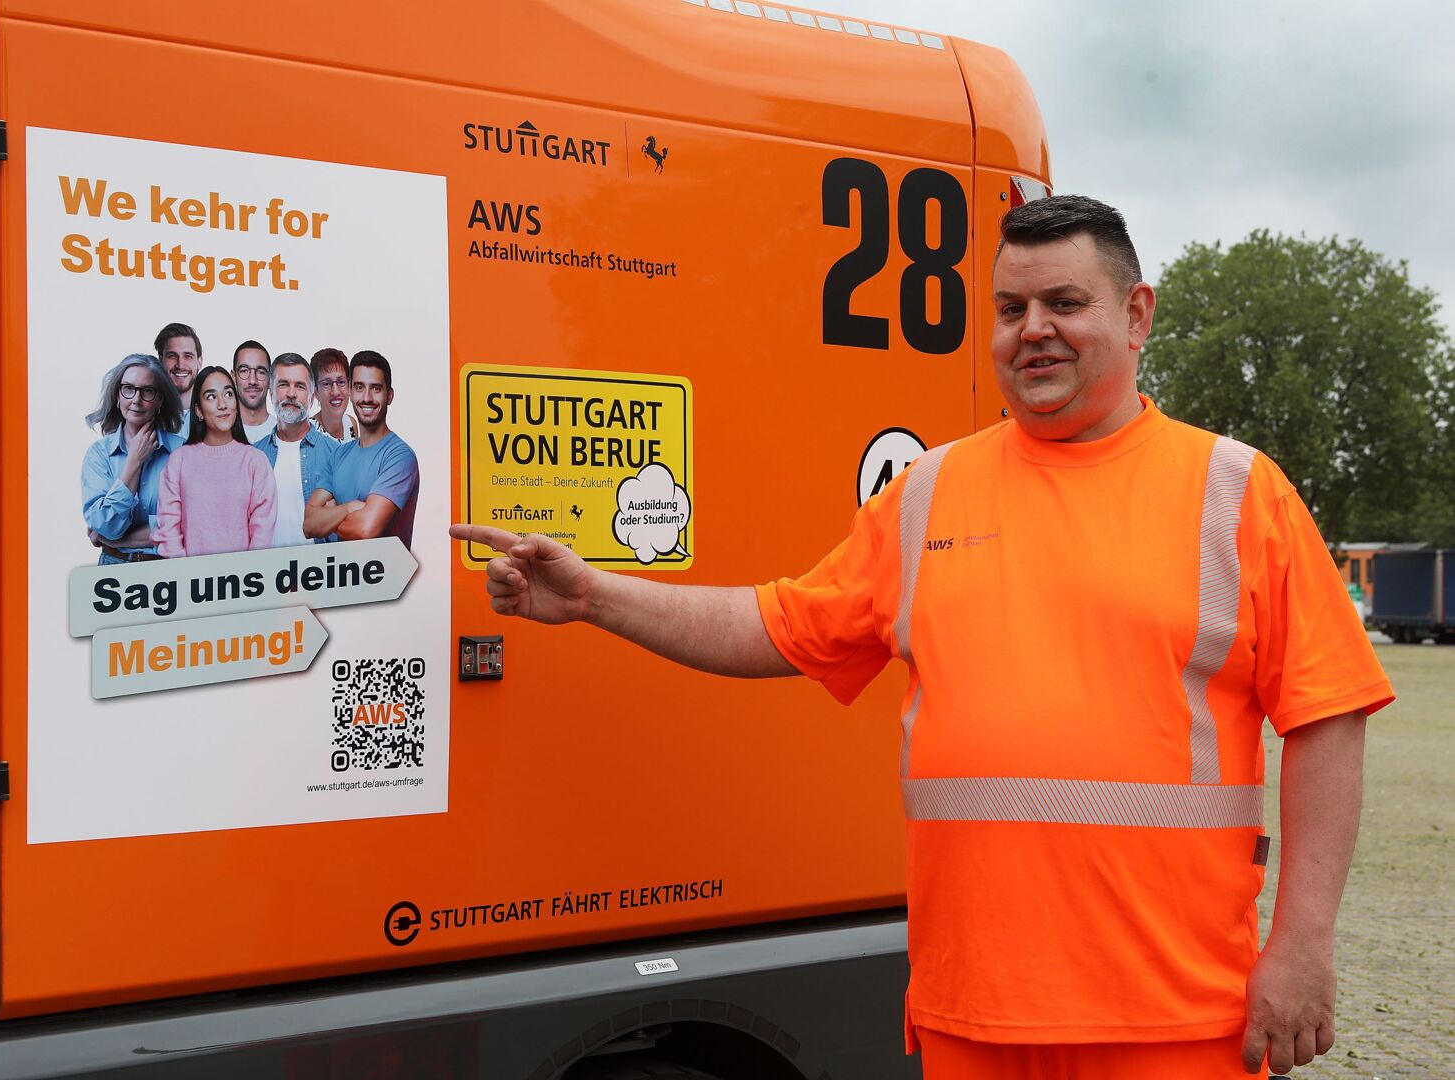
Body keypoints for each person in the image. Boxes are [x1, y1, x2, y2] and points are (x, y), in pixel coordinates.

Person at [450, 196, 1394, 1080]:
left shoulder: (1235, 493)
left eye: (1065, 303)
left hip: (1172, 1016)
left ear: (1137, 314)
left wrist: (1303, 943)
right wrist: (594, 596)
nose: (1033, 330)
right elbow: (773, 625)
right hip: (970, 1012)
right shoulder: (929, 495)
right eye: (1011, 308)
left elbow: (1329, 716)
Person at [154, 365, 277, 558]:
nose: (222, 404)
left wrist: (248, 572)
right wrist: (183, 572)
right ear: (199, 410)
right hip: (189, 574)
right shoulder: (179, 461)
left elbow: (262, 534)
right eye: (211, 397)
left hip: (244, 575)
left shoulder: (255, 461)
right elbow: (168, 528)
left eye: (228, 394)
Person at [305, 351, 419, 548]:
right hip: (344, 568)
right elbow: (309, 525)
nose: (367, 398)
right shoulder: (339, 455)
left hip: (384, 568)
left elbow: (366, 529)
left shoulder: (400, 456)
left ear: (390, 395)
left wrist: (328, 516)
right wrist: (348, 508)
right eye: (359, 387)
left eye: (376, 388)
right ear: (350, 391)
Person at [80, 354, 186, 563]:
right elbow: (106, 525)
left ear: (159, 400)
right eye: (128, 389)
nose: (136, 399)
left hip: (168, 569)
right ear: (118, 396)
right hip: (114, 568)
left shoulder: (183, 452)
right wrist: (134, 462)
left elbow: (191, 525)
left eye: (147, 391)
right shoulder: (99, 455)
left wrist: (120, 540)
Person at [253, 352, 342, 547]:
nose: (291, 393)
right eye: (283, 384)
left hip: (319, 565)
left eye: (300, 386)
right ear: (271, 394)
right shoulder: (253, 456)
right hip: (264, 566)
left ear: (312, 398)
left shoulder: (337, 455)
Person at [155, 322, 203, 436]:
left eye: (188, 356)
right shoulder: (145, 412)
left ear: (199, 362)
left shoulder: (216, 414)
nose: (180, 365)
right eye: (172, 356)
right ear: (160, 360)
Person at [309, 347, 359, 442]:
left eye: (341, 382)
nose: (335, 392)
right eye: (326, 384)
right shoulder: (308, 433)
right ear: (316, 392)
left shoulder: (350, 424)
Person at [232, 339, 277, 443]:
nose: (252, 381)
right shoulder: (219, 432)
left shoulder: (283, 433)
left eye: (261, 372)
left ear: (270, 379)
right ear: (233, 377)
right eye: (244, 371)